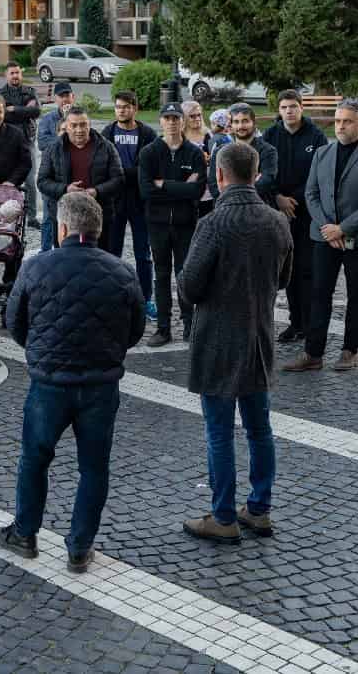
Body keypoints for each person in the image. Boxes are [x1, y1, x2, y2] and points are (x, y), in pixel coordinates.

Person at [0, 191, 144, 572]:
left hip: (49, 382)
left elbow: (15, 321)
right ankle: (80, 546)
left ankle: (25, 533)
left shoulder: (35, 267)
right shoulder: (123, 271)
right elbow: (135, 329)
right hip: (100, 384)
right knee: (94, 467)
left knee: (35, 458)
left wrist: (40, 349)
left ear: (61, 228)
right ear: (98, 229)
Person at [177, 141, 293, 545]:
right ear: (256, 174)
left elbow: (190, 287)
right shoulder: (278, 221)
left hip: (217, 342)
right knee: (260, 429)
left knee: (220, 432)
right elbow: (283, 279)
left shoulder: (212, 223)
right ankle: (259, 509)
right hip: (260, 336)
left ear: (220, 176)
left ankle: (223, 515)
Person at [285, 100, 358, 373]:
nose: (341, 126)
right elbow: (311, 194)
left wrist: (343, 229)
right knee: (319, 293)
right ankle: (313, 353)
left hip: (357, 237)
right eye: (338, 121)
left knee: (356, 294)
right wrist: (328, 227)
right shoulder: (322, 153)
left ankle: (349, 351)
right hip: (323, 236)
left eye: (348, 121)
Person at [262, 91, 327, 343]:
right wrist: (278, 197)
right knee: (286, 271)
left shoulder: (316, 136)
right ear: (279, 110)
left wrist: (295, 199)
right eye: (284, 107)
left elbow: (318, 174)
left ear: (301, 108)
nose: (289, 111)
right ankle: (294, 323)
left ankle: (309, 323)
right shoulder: (270, 136)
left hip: (306, 212)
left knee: (306, 269)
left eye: (293, 106)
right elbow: (264, 172)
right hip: (277, 212)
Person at [139, 104, 206, 345]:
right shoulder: (149, 153)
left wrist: (163, 185)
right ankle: (163, 328)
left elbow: (196, 191)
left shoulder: (194, 153)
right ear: (161, 121)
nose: (171, 122)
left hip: (185, 223)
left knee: (185, 274)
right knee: (162, 274)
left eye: (176, 118)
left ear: (182, 121)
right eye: (167, 118)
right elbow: (146, 190)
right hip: (157, 223)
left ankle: (189, 324)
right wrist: (180, 187)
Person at [38, 107, 123, 258]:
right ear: (66, 126)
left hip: (99, 214)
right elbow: (42, 181)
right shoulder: (53, 148)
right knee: (64, 261)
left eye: (83, 124)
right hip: (64, 217)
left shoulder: (106, 147)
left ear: (89, 125)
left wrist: (96, 191)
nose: (79, 130)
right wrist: (65, 189)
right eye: (74, 125)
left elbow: (118, 179)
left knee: (100, 259)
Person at [101, 91, 156, 308]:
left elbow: (149, 168)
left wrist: (123, 173)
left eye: (125, 107)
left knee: (143, 253)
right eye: (118, 107)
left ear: (135, 108)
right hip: (114, 201)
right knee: (113, 252)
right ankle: (112, 295)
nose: (121, 110)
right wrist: (129, 173)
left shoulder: (148, 133)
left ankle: (146, 298)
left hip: (140, 202)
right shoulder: (107, 133)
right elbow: (103, 166)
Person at [0, 61, 41, 223]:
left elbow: (35, 111)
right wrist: (23, 111)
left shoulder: (29, 92)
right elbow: (0, 115)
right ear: (6, 75)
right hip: (7, 145)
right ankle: (8, 216)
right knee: (8, 181)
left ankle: (32, 217)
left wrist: (15, 109)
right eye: (12, 73)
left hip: (27, 143)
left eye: (17, 73)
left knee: (30, 181)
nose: (15, 76)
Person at [207, 104, 278, 208]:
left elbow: (266, 182)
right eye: (236, 122)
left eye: (245, 121)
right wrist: (249, 185)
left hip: (257, 209)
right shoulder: (220, 151)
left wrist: (229, 188)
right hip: (226, 209)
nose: (240, 126)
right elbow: (214, 185)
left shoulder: (268, 151)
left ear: (254, 123)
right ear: (230, 125)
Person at [36, 83, 75, 252]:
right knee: (48, 219)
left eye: (68, 95)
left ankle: (68, 251)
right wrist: (61, 138)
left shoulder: (79, 117)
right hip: (51, 173)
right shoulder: (47, 119)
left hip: (73, 174)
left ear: (73, 97)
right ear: (56, 99)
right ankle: (45, 253)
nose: (65, 99)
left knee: (72, 218)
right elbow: (42, 143)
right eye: (61, 96)